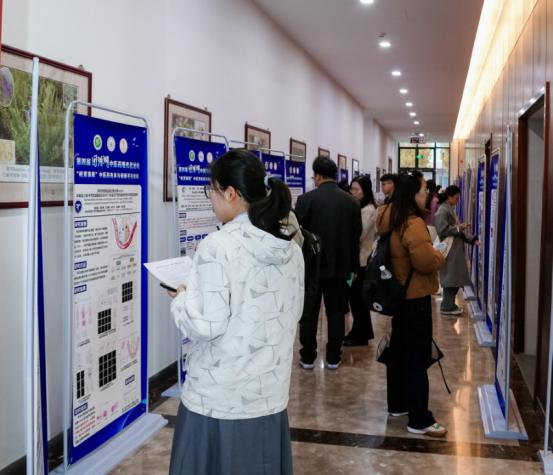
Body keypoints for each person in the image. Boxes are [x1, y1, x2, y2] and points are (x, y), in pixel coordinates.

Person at [168, 149, 305, 475]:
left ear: (231, 193)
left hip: (219, 398)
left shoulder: (218, 246)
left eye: (212, 190)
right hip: (268, 394)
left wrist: (181, 299)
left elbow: (206, 325)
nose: (212, 199)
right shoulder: (290, 248)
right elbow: (294, 311)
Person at [376, 172, 447, 437]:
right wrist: (439, 254)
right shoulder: (413, 222)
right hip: (415, 297)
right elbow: (425, 262)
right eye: (423, 190)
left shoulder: (389, 216)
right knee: (417, 356)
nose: (426, 194)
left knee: (398, 352)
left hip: (397, 295)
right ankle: (419, 419)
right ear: (412, 195)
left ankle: (398, 405)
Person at [295, 156, 362, 370]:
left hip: (311, 268)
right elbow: (355, 239)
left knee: (309, 313)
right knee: (336, 314)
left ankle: (308, 356)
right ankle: (333, 357)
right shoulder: (351, 202)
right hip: (341, 268)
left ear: (317, 176)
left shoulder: (305, 200)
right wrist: (353, 268)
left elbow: (298, 236)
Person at [434, 185, 478, 316]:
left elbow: (454, 230)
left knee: (454, 279)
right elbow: (442, 230)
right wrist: (458, 228)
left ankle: (449, 305)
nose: (458, 201)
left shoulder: (448, 208)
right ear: (449, 196)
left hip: (454, 250)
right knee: (451, 280)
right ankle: (447, 306)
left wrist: (471, 239)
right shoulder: (443, 210)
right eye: (457, 198)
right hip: (450, 251)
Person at [344, 175, 377, 346]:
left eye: (357, 189)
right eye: (352, 189)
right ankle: (358, 331)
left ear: (365, 191)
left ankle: (361, 334)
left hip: (360, 263)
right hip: (356, 261)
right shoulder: (359, 208)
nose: (353, 192)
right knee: (355, 299)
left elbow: (359, 234)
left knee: (358, 300)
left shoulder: (368, 210)